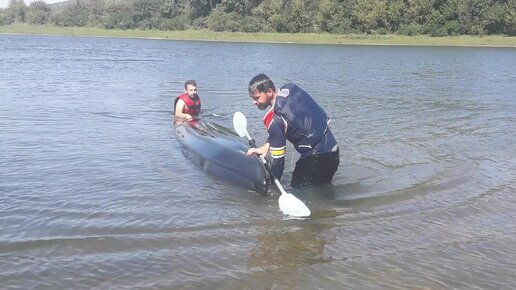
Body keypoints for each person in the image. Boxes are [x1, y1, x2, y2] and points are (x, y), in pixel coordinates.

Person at [246, 73, 339, 187]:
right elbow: (290, 124)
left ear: (269, 92)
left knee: (298, 190)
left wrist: (270, 189)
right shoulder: (290, 89)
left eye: (256, 98)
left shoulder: (275, 119)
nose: (254, 102)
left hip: (317, 160)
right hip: (333, 150)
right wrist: (266, 147)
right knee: (323, 191)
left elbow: (278, 162)